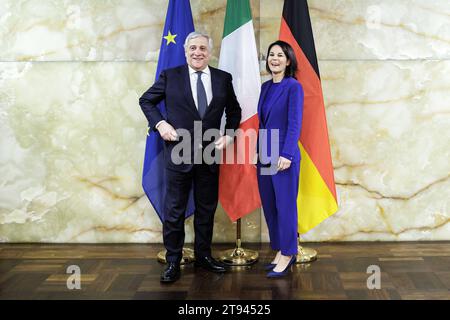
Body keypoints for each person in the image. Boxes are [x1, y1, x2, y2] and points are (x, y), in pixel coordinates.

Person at [139, 32, 242, 283]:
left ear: (210, 52)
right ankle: (173, 261)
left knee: (206, 208)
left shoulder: (222, 78)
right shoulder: (170, 76)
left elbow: (235, 110)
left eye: (203, 48)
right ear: (185, 51)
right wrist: (161, 124)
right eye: (193, 48)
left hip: (209, 154)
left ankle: (204, 256)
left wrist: (229, 135)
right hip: (178, 152)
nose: (198, 52)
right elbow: (146, 101)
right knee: (174, 210)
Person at [257, 40, 304, 278]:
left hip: (283, 155)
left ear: (288, 61)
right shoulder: (265, 88)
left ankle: (288, 252)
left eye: (279, 55)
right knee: (271, 205)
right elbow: (264, 123)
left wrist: (286, 153)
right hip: (265, 153)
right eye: (271, 54)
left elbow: (295, 123)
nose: (274, 58)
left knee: (285, 206)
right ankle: (279, 249)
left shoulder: (293, 87)